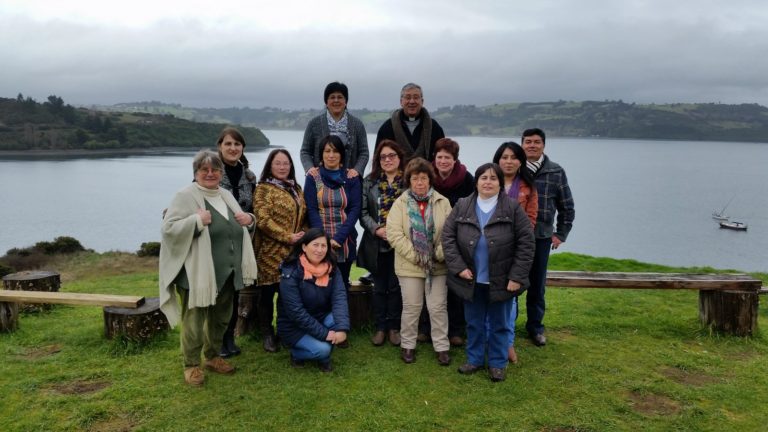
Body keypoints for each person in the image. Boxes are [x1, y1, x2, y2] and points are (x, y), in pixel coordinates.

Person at [159, 150, 258, 386]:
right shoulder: (185, 196)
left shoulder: (225, 195)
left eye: (215, 169)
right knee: (194, 321)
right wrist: (196, 221)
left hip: (227, 272)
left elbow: (240, 226)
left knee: (221, 318)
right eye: (205, 170)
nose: (210, 174)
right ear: (196, 173)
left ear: (221, 173)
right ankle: (191, 365)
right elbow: (168, 229)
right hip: (197, 273)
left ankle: (212, 357)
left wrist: (250, 220)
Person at [442, 163, 534, 382]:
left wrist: (516, 277)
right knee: (473, 322)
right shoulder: (463, 205)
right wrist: (459, 268)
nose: (488, 182)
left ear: (500, 183)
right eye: (484, 178)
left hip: (502, 280)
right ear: (476, 182)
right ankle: (474, 360)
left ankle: (497, 363)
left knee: (500, 323)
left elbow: (526, 244)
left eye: (493, 178)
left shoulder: (512, 208)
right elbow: (448, 238)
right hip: (471, 278)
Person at [386, 157, 452, 366]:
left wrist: (436, 255)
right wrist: (418, 257)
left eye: (423, 178)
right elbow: (394, 234)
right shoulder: (400, 203)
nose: (420, 183)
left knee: (437, 307)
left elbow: (450, 234)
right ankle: (408, 345)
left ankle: (442, 347)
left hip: (438, 266)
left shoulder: (443, 202)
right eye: (415, 179)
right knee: (412, 306)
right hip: (409, 266)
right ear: (409, 180)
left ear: (430, 180)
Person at [522, 128, 575, 346]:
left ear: (544, 145)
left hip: (542, 237)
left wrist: (560, 234)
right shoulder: (514, 168)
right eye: (528, 142)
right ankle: (505, 326)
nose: (532, 145)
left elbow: (567, 206)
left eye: (536, 142)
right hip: (514, 236)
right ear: (522, 144)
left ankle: (535, 327)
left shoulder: (556, 171)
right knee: (510, 282)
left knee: (537, 284)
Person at [252, 149, 307, 353]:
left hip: (293, 253)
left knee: (287, 295)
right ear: (270, 166)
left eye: (286, 163)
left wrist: (305, 236)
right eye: (278, 163)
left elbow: (304, 217)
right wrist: (287, 236)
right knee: (267, 295)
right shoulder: (263, 189)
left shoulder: (296, 189)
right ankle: (267, 334)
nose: (283, 167)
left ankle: (284, 332)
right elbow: (263, 219)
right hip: (269, 252)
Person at [423, 137, 474, 347]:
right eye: (440, 156)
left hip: (458, 239)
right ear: (434, 157)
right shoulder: (427, 177)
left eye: (448, 157)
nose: (443, 161)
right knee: (429, 283)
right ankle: (425, 329)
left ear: (455, 160)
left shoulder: (467, 179)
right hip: (429, 237)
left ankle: (455, 331)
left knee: (455, 287)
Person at [277, 228, 350, 372]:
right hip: (293, 326)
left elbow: (339, 298)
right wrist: (325, 334)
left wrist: (341, 329)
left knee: (338, 322)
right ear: (304, 247)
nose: (319, 250)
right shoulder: (291, 271)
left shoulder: (332, 269)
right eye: (315, 245)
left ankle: (321, 348)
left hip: (320, 317)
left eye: (323, 246)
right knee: (323, 350)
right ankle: (297, 353)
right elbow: (296, 312)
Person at [357, 140, 406, 347]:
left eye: (391, 156)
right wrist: (377, 229)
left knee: (396, 288)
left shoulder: (408, 181)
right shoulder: (369, 182)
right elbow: (362, 212)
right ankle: (380, 327)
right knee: (379, 288)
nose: (387, 160)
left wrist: (396, 232)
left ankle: (394, 328)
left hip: (400, 244)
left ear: (399, 158)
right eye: (383, 157)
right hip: (375, 243)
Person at [492, 141, 538, 362]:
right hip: (490, 251)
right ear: (498, 160)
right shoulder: (489, 182)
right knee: (489, 297)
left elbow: (530, 221)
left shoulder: (528, 188)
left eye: (513, 157)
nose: (508, 162)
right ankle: (490, 341)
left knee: (511, 300)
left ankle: (507, 343)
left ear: (521, 161)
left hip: (514, 251)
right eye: (504, 157)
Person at [215, 127, 258, 359]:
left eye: (237, 145)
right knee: (220, 293)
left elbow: (254, 209)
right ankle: (217, 339)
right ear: (220, 146)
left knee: (234, 292)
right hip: (218, 243)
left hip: (241, 241)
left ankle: (230, 336)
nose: (233, 148)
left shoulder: (249, 176)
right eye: (228, 144)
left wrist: (251, 219)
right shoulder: (210, 171)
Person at [304, 135, 362, 291]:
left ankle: (341, 316)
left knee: (341, 287)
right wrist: (324, 240)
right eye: (327, 151)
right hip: (318, 242)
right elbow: (312, 209)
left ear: (341, 155)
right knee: (317, 288)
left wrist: (338, 238)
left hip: (345, 241)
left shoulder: (351, 178)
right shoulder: (313, 177)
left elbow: (355, 210)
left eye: (335, 151)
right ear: (321, 154)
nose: (331, 155)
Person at [300, 81, 369, 178]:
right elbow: (305, 151)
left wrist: (357, 170)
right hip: (320, 180)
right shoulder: (314, 124)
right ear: (326, 102)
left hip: (349, 180)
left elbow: (364, 152)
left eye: (340, 97)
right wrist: (309, 168)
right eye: (332, 97)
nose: (336, 100)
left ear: (346, 101)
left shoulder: (357, 125)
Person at [375, 83, 445, 161]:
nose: (412, 101)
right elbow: (378, 159)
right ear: (401, 102)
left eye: (416, 97)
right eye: (408, 97)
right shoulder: (387, 128)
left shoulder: (434, 128)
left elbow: (443, 157)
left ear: (422, 101)